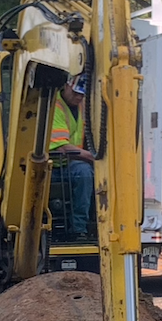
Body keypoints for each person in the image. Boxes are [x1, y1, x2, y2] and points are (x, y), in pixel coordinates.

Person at [48, 76, 94, 238]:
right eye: (76, 93)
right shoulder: (55, 107)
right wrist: (91, 156)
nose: (79, 97)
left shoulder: (82, 106)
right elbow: (61, 147)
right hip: (51, 166)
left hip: (70, 162)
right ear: (66, 86)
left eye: (82, 94)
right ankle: (78, 228)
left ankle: (85, 226)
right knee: (84, 172)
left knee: (87, 171)